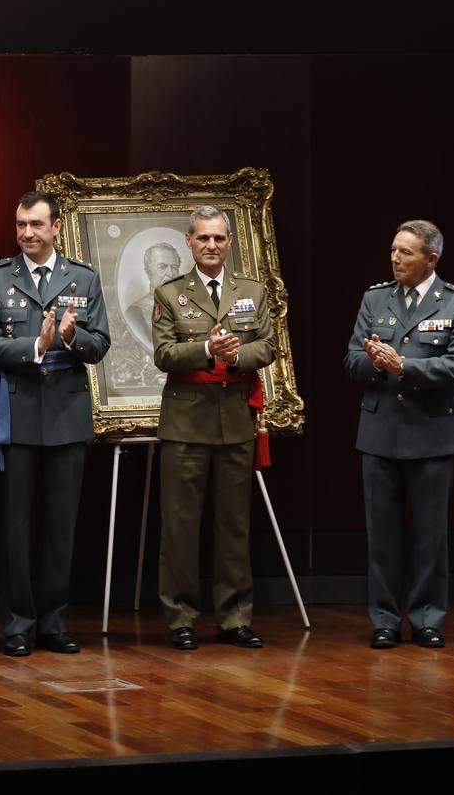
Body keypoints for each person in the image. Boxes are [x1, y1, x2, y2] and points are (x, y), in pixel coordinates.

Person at [0, 191, 110, 657]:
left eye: (36, 225)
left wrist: (71, 338)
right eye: (20, 225)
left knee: (60, 528)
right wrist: (35, 346)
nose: (27, 233)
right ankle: (16, 624)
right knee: (14, 528)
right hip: (15, 415)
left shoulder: (83, 277)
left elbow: (100, 344)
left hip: (66, 417)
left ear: (56, 227)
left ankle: (53, 622)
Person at [344, 219, 454, 649]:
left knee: (429, 536)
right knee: (381, 537)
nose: (395, 258)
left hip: (433, 434)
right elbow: (351, 361)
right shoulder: (375, 297)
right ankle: (383, 619)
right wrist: (376, 362)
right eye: (394, 250)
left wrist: (405, 367)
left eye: (406, 253)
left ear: (431, 259)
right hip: (381, 431)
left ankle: (426, 619)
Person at [151, 205, 275, 650]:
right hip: (186, 421)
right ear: (189, 241)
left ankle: (235, 617)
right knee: (181, 526)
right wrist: (206, 347)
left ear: (229, 242)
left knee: (234, 525)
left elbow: (268, 345)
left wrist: (235, 354)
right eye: (203, 238)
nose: (211, 246)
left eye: (219, 238)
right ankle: (181, 618)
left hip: (235, 420)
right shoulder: (170, 293)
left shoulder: (252, 291)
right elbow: (164, 354)